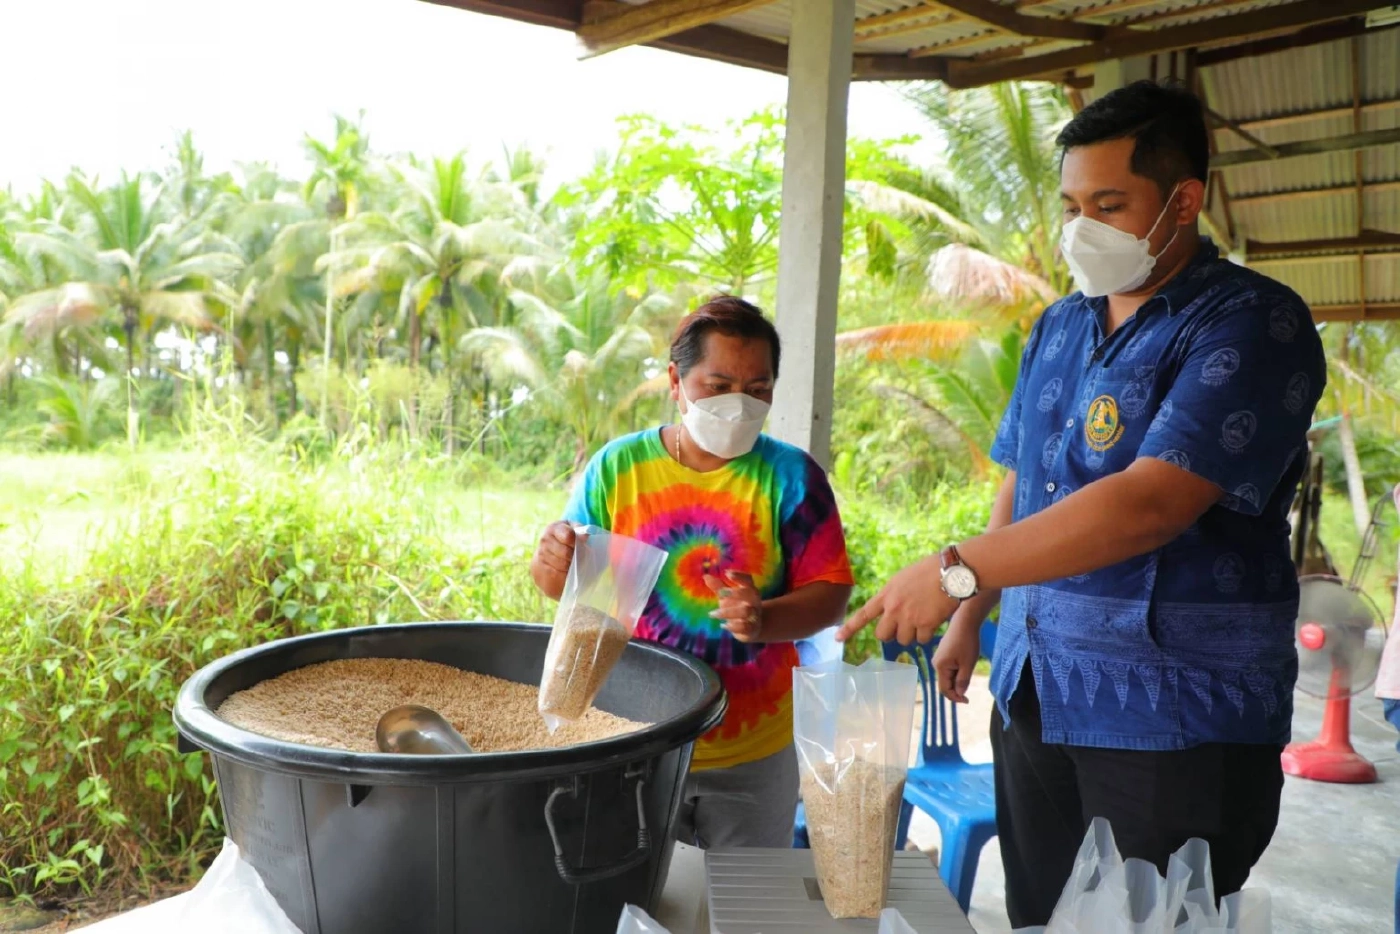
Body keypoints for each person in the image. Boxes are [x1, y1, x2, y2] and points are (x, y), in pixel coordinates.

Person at [837, 80, 1327, 927]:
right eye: (1071, 203)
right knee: (1042, 914)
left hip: (1173, 714)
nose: (1081, 227)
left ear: (1184, 201)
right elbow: (1023, 479)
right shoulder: (1059, 326)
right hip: (1036, 688)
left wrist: (955, 571)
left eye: (1108, 203)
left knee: (1152, 916)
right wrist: (973, 612)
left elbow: (1150, 502)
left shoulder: (1252, 322)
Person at [530, 295, 854, 850]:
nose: (738, 405)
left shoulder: (791, 477)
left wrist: (765, 618)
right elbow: (580, 595)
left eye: (758, 390)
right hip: (635, 737)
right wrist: (550, 565)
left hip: (753, 750)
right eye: (718, 385)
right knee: (640, 898)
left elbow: (830, 596)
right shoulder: (618, 468)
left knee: (744, 904)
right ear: (676, 382)